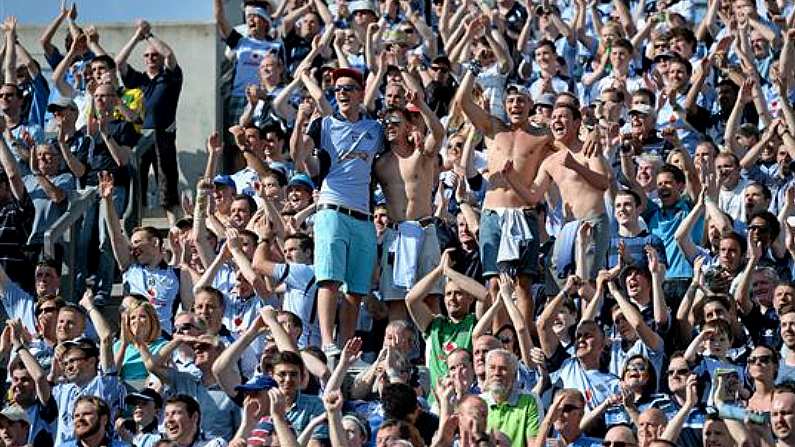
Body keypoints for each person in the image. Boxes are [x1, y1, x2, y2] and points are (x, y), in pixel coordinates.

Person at [292, 67, 383, 354]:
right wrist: (299, 121)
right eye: (338, 89)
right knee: (329, 279)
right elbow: (298, 156)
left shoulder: (375, 129)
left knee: (356, 289)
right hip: (332, 208)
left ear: (360, 94)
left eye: (348, 89)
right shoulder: (324, 125)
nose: (342, 93)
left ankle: (346, 345)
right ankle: (328, 341)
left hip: (364, 216)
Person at [459, 73, 552, 326]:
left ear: (530, 104)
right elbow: (463, 102)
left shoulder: (543, 136)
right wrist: (474, 68)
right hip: (492, 212)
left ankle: (523, 345)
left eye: (521, 100)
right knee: (494, 284)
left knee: (523, 285)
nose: (515, 106)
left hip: (524, 212)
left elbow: (571, 144)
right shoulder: (493, 128)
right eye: (511, 101)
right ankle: (502, 339)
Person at [373, 91, 445, 321]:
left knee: (431, 297)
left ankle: (436, 353)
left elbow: (439, 132)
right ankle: (398, 352)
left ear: (408, 126)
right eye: (386, 123)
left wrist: (421, 105)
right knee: (396, 301)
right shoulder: (380, 163)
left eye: (396, 122)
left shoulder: (421, 154)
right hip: (396, 234)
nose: (390, 126)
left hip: (424, 229)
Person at [116, 19, 184, 225]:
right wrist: (137, 36)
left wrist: (149, 36)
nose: (151, 58)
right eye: (147, 55)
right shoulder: (137, 79)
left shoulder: (171, 76)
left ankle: (175, 229)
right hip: (139, 138)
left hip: (163, 136)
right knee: (138, 186)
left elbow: (170, 55)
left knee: (168, 187)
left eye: (155, 54)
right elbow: (118, 62)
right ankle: (138, 229)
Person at [481, 349, 542, 447]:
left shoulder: (529, 401)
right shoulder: (479, 403)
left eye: (503, 368)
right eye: (492, 368)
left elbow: (534, 444)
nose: (497, 373)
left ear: (514, 375)